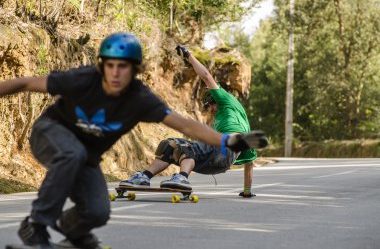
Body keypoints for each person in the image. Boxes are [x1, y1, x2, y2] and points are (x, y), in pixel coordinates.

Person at [0, 33, 266, 249]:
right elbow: (25, 83)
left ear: (134, 70)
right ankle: (35, 223)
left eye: (123, 67)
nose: (115, 73)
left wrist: (229, 141)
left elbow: (185, 125)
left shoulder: (140, 98)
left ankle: (74, 232)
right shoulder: (83, 79)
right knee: (72, 154)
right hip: (50, 133)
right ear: (102, 65)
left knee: (97, 212)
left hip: (86, 155)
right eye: (110, 65)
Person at [119, 45, 267, 198]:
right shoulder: (241, 123)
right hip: (218, 164)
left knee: (184, 146)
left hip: (223, 153)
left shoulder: (225, 100)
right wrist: (247, 191)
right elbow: (249, 163)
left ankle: (182, 177)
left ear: (214, 100)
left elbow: (206, 76)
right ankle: (144, 177)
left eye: (211, 107)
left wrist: (189, 56)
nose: (211, 110)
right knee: (170, 146)